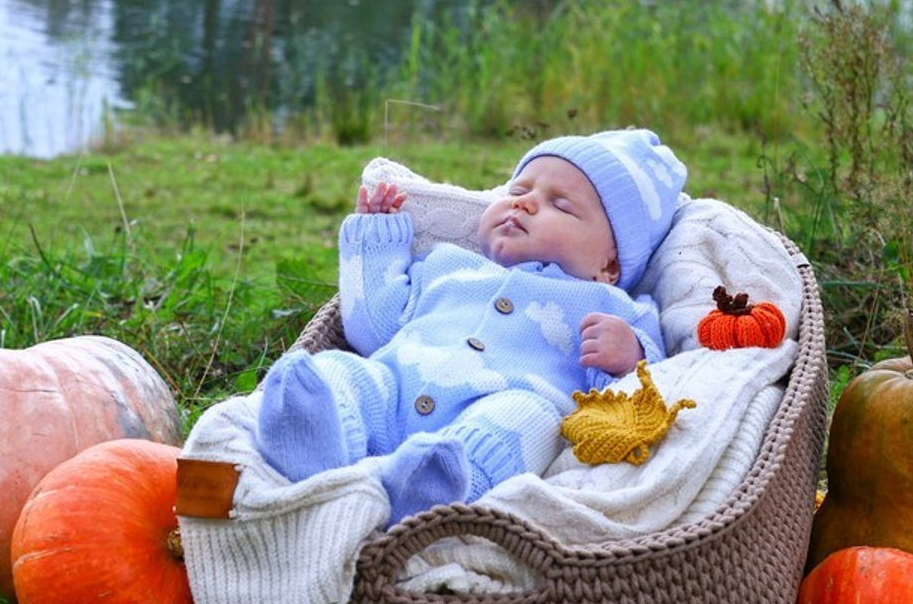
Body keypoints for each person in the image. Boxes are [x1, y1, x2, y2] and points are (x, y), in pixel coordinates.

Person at [257, 129, 688, 524]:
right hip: (395, 390)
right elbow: (374, 329)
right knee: (341, 370)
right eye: (518, 189)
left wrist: (630, 354)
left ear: (609, 265)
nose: (525, 202)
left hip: (499, 407)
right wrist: (377, 238)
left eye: (560, 204)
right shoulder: (446, 265)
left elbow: (645, 393)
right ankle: (315, 440)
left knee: (528, 416)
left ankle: (443, 485)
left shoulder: (611, 305)